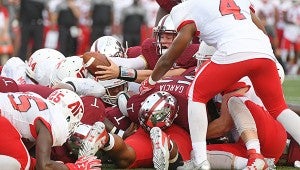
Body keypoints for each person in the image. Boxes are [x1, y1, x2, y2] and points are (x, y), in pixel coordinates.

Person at [139, 1, 300, 169]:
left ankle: (200, 162)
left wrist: (151, 81)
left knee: (196, 95)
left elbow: (173, 53)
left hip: (232, 51)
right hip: (262, 50)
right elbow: (260, 28)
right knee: (280, 109)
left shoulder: (188, 6)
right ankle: (253, 156)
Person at [0, 88, 101, 169]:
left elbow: (21, 149)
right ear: (69, 117)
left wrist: (55, 166)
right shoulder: (55, 118)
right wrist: (74, 167)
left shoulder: (37, 101)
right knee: (22, 164)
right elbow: (43, 166)